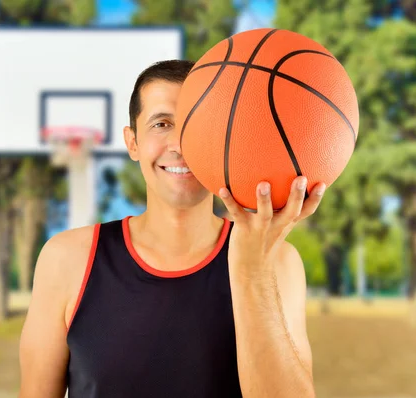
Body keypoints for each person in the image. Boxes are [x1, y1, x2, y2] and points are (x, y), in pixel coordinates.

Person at [18, 60, 326, 398]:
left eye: (199, 125)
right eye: (162, 123)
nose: (181, 144)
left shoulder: (276, 262)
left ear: (225, 143)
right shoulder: (67, 260)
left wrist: (252, 274)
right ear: (132, 142)